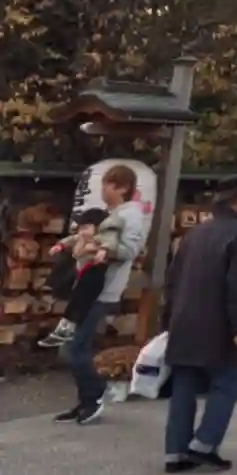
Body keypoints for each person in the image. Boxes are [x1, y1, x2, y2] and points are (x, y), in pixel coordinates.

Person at [161, 180, 237, 473]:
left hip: (184, 321)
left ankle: (175, 452)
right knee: (227, 383)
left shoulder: (195, 234)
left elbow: (172, 280)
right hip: (218, 324)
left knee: (184, 386)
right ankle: (204, 444)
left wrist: (168, 320)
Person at [56, 163, 147, 427]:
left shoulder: (131, 215)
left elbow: (130, 249)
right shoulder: (114, 214)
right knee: (71, 345)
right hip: (88, 287)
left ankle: (95, 395)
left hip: (102, 289)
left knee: (76, 347)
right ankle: (86, 399)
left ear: (123, 188)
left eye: (109, 185)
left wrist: (100, 249)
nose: (103, 190)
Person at [38, 208, 113, 348]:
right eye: (80, 228)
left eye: (86, 228)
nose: (82, 231)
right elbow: (70, 240)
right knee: (74, 297)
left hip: (92, 274)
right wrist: (59, 246)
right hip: (80, 271)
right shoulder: (80, 238)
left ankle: (68, 329)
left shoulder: (101, 241)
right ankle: (64, 326)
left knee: (80, 302)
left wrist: (102, 251)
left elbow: (110, 245)